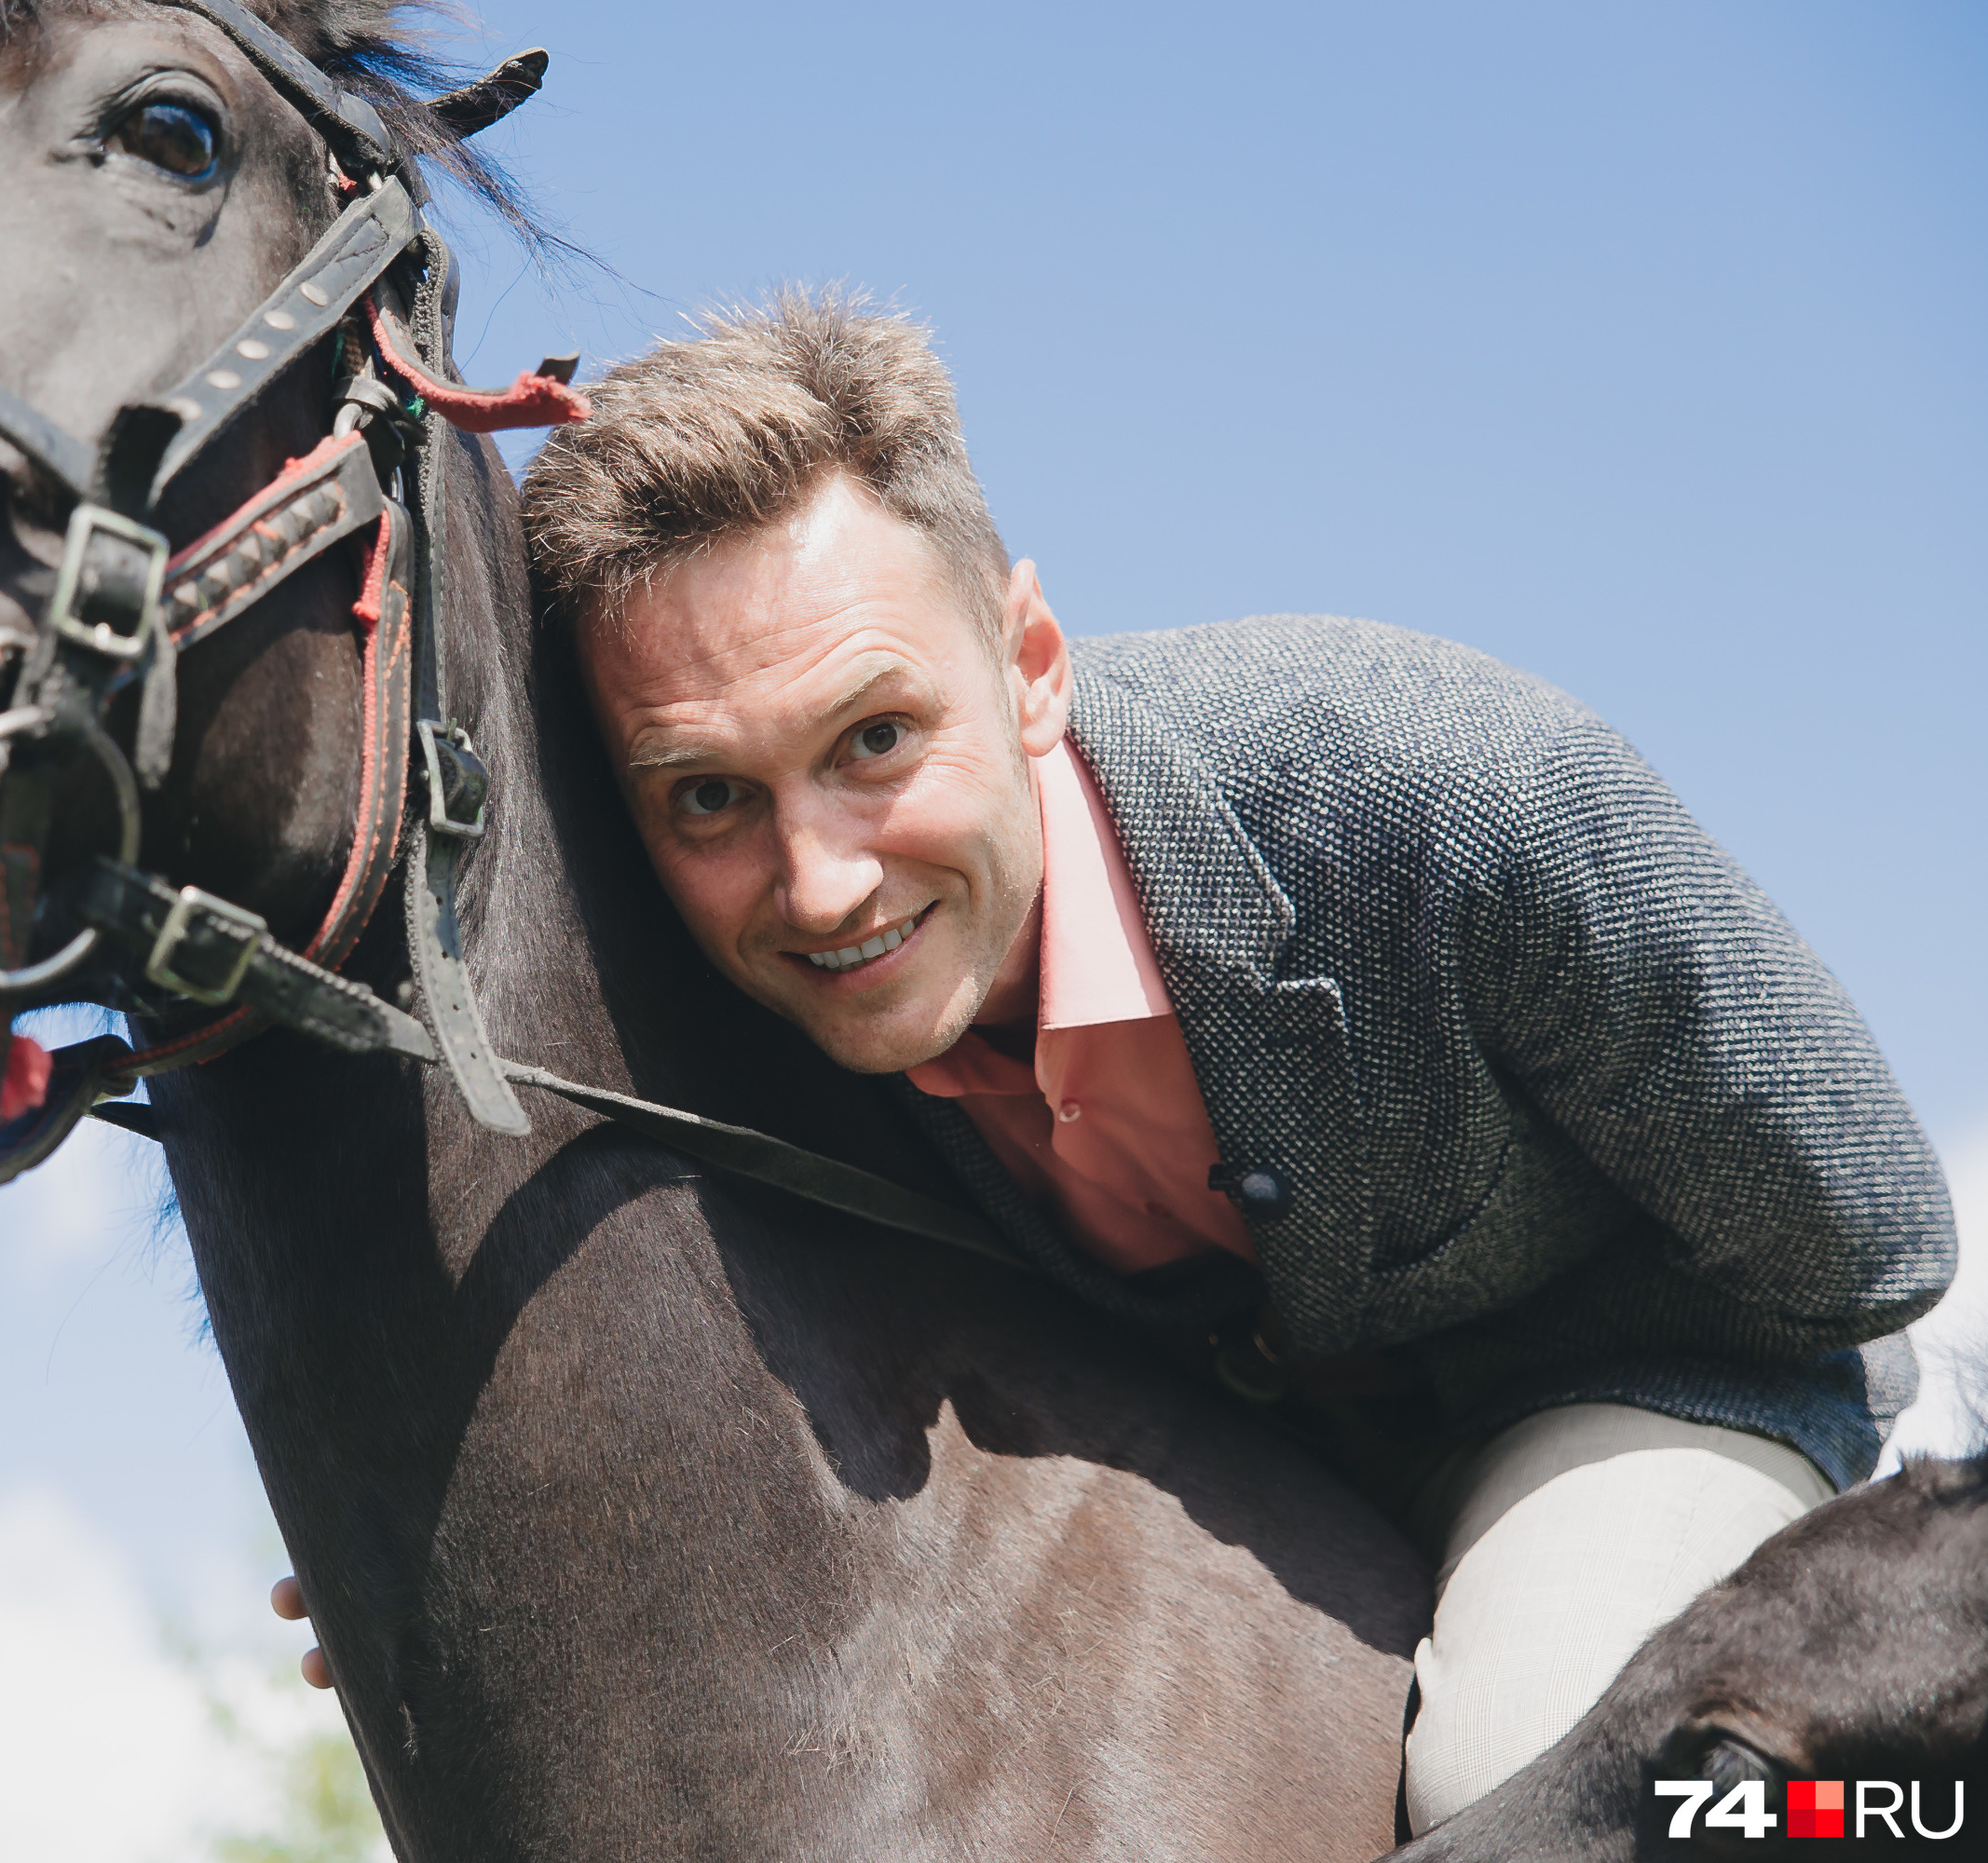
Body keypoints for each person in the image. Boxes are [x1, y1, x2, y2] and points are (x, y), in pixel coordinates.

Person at [483, 290, 1953, 1829]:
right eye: (710, 796)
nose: (822, 885)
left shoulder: (1446, 787)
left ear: (1031, 658)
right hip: (1217, 1461)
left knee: (1504, 1787)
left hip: (1634, 1380)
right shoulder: (709, 1007)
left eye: (874, 741)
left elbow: (1868, 1237)